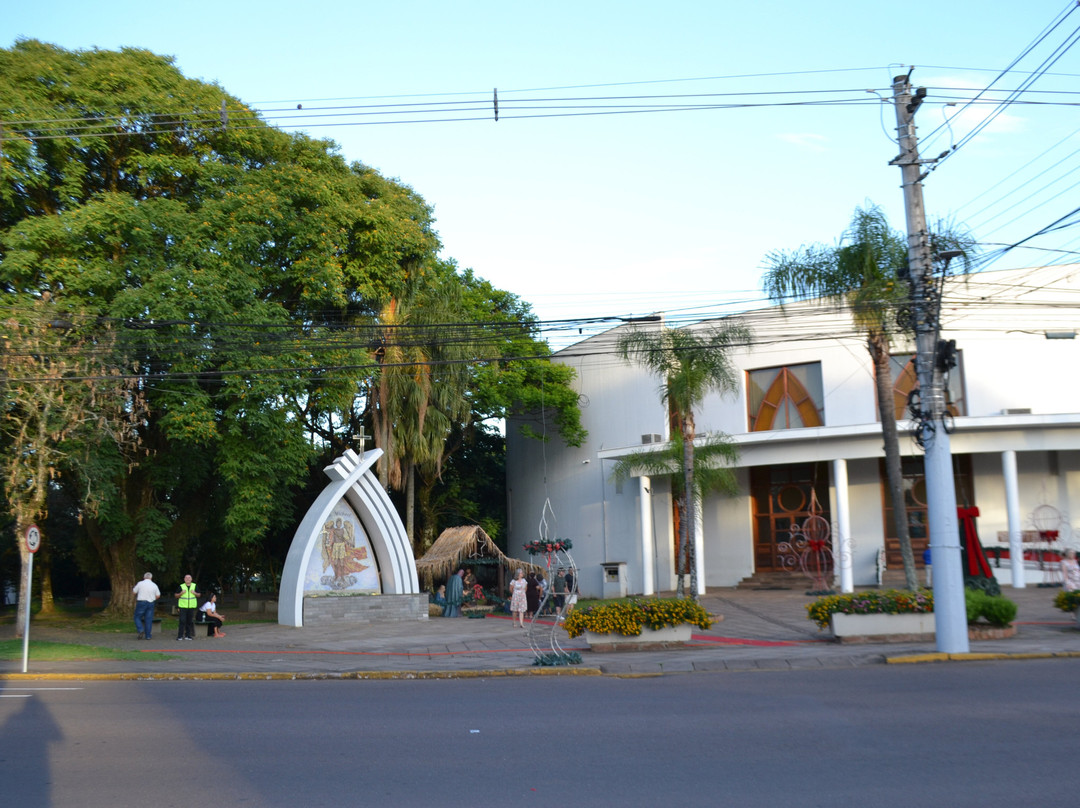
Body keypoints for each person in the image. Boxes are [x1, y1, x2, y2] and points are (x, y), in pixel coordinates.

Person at [132, 572, 160, 640]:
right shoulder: (154, 585)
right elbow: (158, 595)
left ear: (144, 577)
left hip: (141, 602)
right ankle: (148, 636)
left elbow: (134, 592)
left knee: (137, 617)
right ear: (151, 578)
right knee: (148, 619)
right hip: (151, 602)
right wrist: (152, 598)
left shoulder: (140, 583)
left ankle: (140, 629)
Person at [175, 574, 201, 641]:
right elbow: (176, 595)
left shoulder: (194, 586)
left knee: (189, 621)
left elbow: (199, 595)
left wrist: (195, 593)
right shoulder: (181, 586)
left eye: (189, 578)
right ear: (184, 579)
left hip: (191, 607)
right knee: (182, 621)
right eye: (186, 578)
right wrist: (181, 593)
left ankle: (188, 635)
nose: (188, 579)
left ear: (191, 579)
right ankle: (180, 636)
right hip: (183, 606)